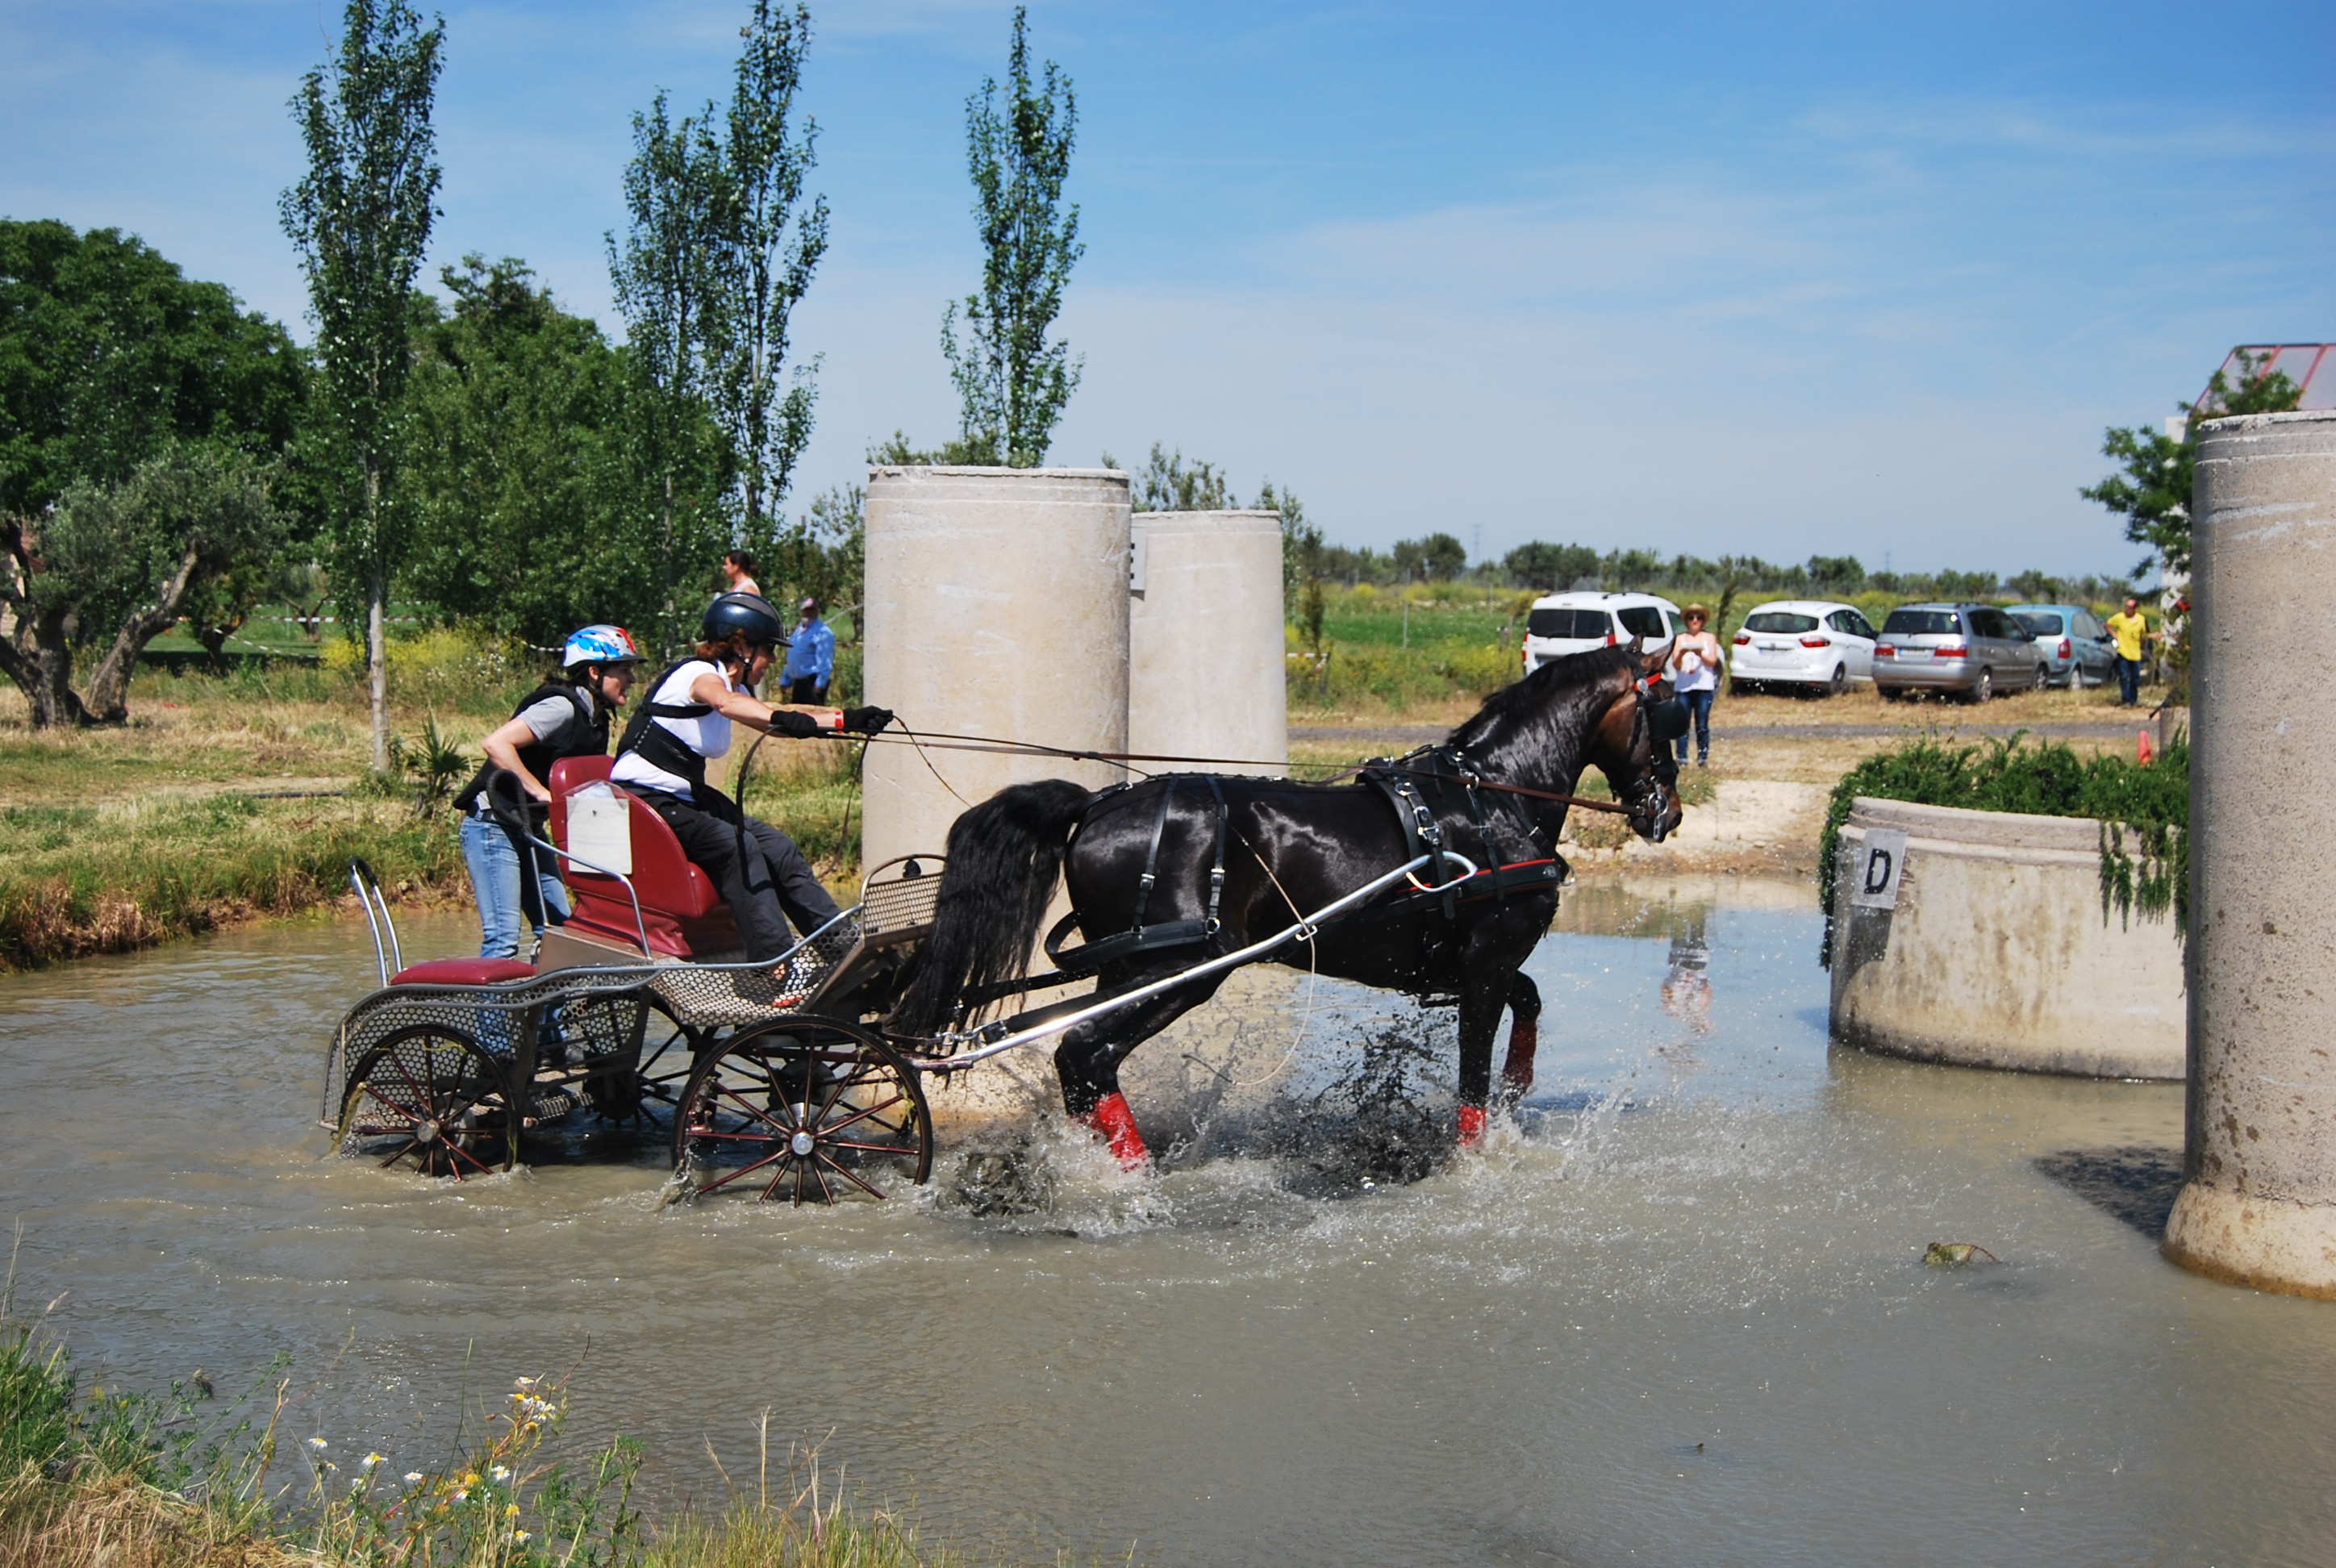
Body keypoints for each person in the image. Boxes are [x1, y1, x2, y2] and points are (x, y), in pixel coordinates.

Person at [611, 591, 893, 961]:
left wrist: (846, 720)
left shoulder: (737, 688)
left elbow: (774, 718)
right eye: (768, 649)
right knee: (737, 847)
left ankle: (843, 950)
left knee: (778, 847)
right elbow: (725, 703)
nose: (774, 659)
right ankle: (773, 966)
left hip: (683, 800)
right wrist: (780, 718)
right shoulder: (697, 673)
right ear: (741, 645)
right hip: (644, 799)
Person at [453, 625, 645, 959]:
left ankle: (548, 1013)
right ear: (594, 672)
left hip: (529, 828)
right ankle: (493, 1014)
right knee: (503, 940)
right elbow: (496, 744)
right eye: (624, 670)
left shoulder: (597, 718)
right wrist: (540, 791)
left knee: (561, 930)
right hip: (492, 826)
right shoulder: (562, 707)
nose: (631, 679)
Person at [1666, 603, 1722, 767]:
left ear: (1703, 621)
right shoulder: (1680, 639)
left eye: (1699, 617)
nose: (1695, 620)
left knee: (1702, 724)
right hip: (1684, 687)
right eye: (1691, 617)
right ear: (1687, 621)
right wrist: (1684, 652)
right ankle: (1682, 757)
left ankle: (1702, 756)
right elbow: (1676, 664)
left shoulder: (1709, 638)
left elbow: (1712, 661)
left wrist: (1700, 653)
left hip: (1704, 686)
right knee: (1682, 724)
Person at [781, 597, 835, 704]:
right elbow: (792, 657)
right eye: (806, 610)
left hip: (812, 682)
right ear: (801, 611)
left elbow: (824, 660)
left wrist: (819, 684)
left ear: (817, 611)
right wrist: (785, 679)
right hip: (799, 683)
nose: (809, 613)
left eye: (812, 610)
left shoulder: (822, 632)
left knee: (812, 717)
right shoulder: (798, 632)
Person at [2105, 595, 2155, 707]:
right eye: (2126, 606)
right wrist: (2114, 635)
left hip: (2136, 653)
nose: (2127, 609)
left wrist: (2153, 636)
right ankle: (2126, 700)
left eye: (2129, 607)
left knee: (2135, 678)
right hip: (2123, 652)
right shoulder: (2120, 617)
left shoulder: (2141, 619)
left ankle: (2134, 699)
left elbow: (2144, 634)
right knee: (2124, 676)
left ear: (2134, 608)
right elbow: (2108, 625)